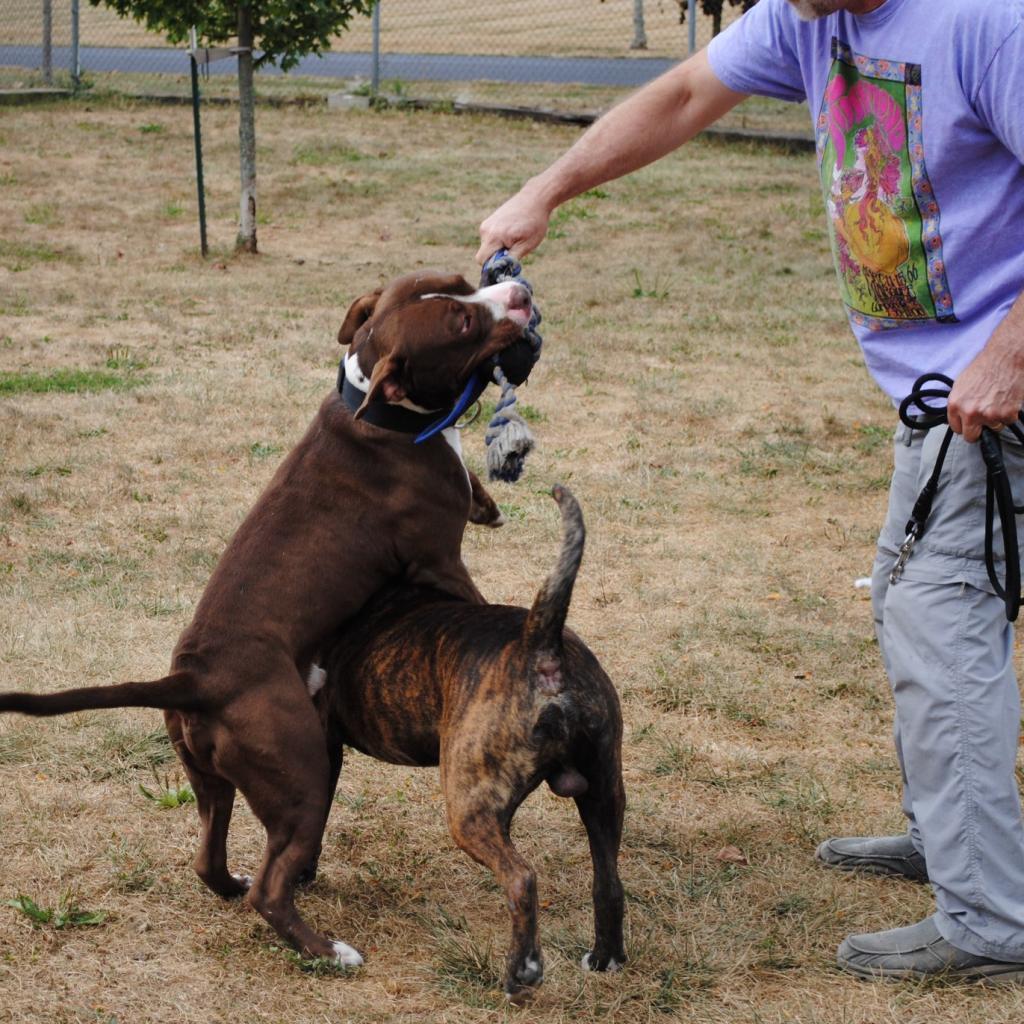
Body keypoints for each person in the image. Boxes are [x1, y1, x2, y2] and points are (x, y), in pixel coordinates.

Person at [477, 0, 1024, 983]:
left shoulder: (985, 22)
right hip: (940, 403)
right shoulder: (804, 17)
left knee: (940, 622)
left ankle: (988, 916)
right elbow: (686, 92)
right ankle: (954, 843)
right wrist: (546, 187)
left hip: (996, 399)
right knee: (910, 607)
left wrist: (1011, 350)